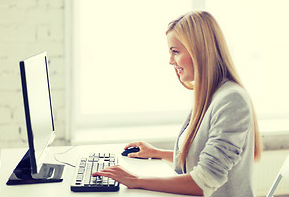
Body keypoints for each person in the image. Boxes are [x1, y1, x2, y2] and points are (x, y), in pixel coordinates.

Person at [93, 11, 263, 197]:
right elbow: (200, 156)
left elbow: (204, 181)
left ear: (199, 51)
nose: (170, 61)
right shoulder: (210, 95)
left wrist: (136, 181)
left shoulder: (231, 100)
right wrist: (157, 153)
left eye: (175, 51)